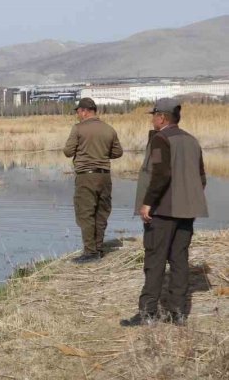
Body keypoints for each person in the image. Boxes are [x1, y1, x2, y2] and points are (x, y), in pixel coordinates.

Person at [121, 98, 207, 327]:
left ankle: (147, 314)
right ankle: (178, 313)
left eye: (153, 115)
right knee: (179, 261)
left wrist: (148, 203)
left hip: (162, 211)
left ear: (161, 117)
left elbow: (161, 174)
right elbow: (201, 179)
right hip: (186, 212)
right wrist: (188, 202)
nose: (152, 119)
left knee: (155, 260)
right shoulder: (192, 141)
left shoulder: (160, 139)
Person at [63, 97, 123, 263]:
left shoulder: (78, 129)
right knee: (101, 213)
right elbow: (118, 152)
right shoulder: (109, 129)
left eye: (78, 112)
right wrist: (102, 154)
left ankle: (90, 253)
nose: (77, 116)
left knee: (86, 213)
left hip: (86, 177)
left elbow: (68, 151)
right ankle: (98, 248)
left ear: (84, 111)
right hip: (104, 176)